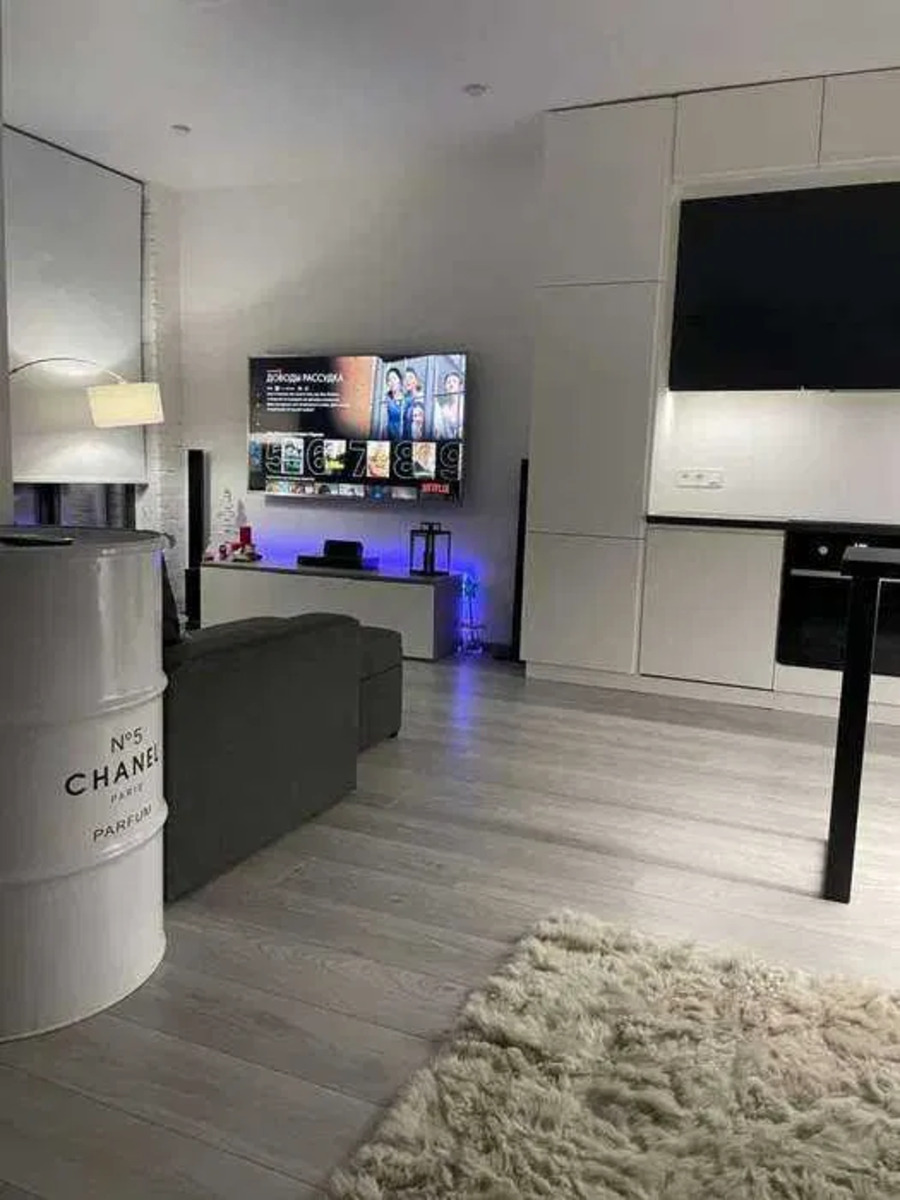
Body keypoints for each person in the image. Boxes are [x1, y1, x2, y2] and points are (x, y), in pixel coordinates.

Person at [433, 370, 463, 440]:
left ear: (460, 386)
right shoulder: (443, 408)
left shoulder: (464, 404)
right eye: (448, 382)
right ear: (445, 387)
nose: (451, 384)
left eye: (454, 381)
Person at [382, 367, 405, 440]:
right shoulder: (386, 399)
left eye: (394, 378)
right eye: (389, 380)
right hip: (389, 437)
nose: (392, 382)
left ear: (400, 380)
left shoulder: (407, 399)